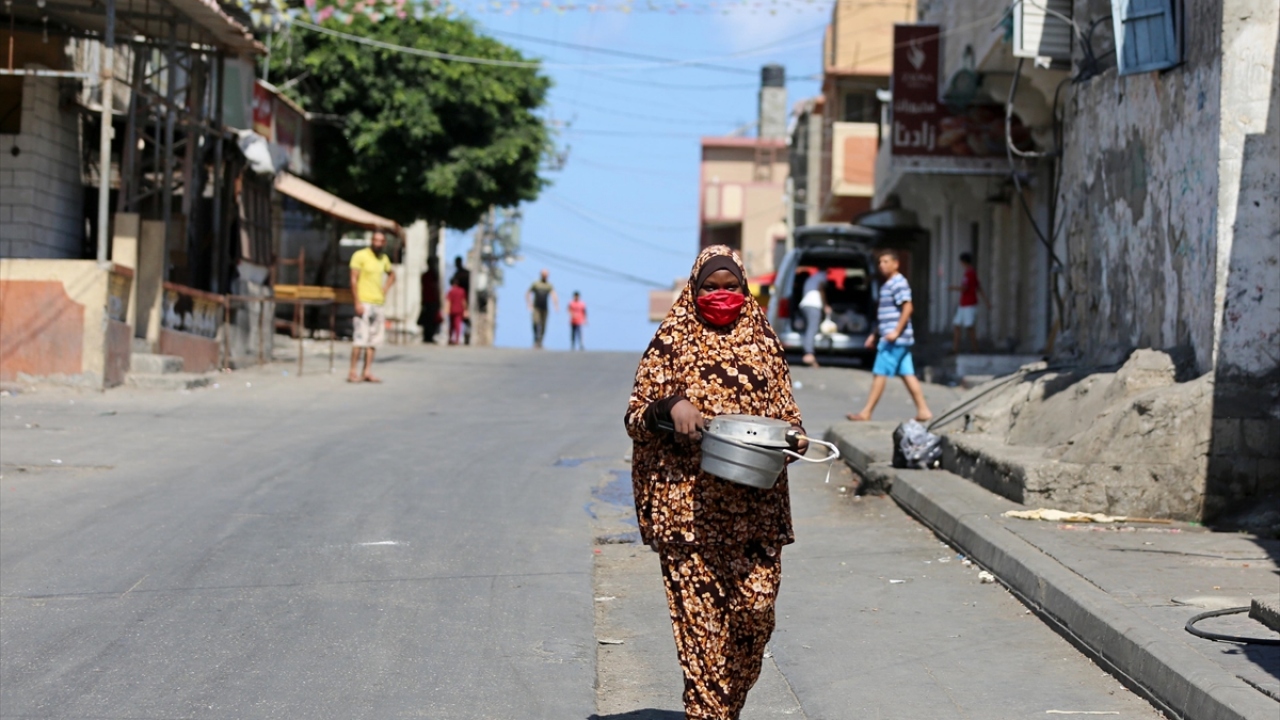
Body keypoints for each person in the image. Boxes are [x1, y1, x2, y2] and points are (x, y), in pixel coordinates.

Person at [624, 245, 809, 720]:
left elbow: (788, 416)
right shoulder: (671, 341)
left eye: (731, 287)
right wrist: (669, 407)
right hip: (687, 515)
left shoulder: (764, 343)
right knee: (702, 638)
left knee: (755, 615)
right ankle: (708, 712)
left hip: (755, 513)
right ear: (694, 289)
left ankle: (721, 709)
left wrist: (795, 437)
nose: (721, 295)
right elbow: (635, 417)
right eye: (711, 287)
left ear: (745, 289)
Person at [847, 249, 933, 422]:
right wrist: (874, 334)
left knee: (879, 373)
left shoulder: (899, 282)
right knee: (908, 374)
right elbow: (886, 314)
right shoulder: (888, 284)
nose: (882, 265)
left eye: (886, 261)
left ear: (896, 263)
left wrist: (896, 332)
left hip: (894, 339)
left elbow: (908, 307)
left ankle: (866, 412)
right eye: (880, 262)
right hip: (892, 336)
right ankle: (924, 410)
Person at [348, 232, 395, 383]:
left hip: (378, 303)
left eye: (381, 241)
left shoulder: (384, 259)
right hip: (364, 302)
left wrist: (384, 289)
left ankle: (367, 371)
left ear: (384, 243)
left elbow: (392, 274)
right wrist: (357, 302)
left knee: (374, 340)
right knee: (359, 339)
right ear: (371, 241)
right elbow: (353, 280)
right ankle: (353, 371)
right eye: (376, 240)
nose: (378, 243)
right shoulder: (360, 256)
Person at [949, 251, 988, 353]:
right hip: (964, 304)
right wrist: (986, 301)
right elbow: (979, 287)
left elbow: (965, 288)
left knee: (970, 327)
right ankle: (955, 349)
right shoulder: (971, 273)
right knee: (957, 325)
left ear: (963, 262)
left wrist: (953, 288)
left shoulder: (969, 274)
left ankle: (975, 349)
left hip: (969, 304)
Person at [797, 267, 830, 367]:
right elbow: (821, 289)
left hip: (805, 304)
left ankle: (808, 349)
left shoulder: (812, 278)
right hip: (813, 305)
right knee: (812, 328)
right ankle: (809, 354)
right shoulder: (822, 276)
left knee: (809, 328)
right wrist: (825, 305)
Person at [525, 269, 558, 349]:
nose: (545, 276)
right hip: (536, 307)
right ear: (541, 274)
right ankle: (536, 339)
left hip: (545, 308)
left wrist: (556, 305)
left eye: (546, 275)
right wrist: (529, 303)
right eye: (544, 274)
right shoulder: (536, 284)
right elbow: (528, 293)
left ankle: (540, 341)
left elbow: (553, 294)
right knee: (535, 323)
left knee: (543, 325)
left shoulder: (549, 285)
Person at [418, 256, 441, 343]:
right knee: (428, 319)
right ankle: (427, 336)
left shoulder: (432, 275)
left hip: (431, 300)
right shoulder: (428, 275)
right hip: (429, 300)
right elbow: (430, 288)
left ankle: (429, 336)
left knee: (431, 319)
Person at [446, 277, 468, 345]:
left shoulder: (451, 291)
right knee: (458, 326)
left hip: (452, 311)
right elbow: (463, 301)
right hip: (459, 311)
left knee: (451, 326)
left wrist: (447, 310)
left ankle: (450, 339)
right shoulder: (462, 291)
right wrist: (465, 310)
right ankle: (457, 340)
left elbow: (448, 301)